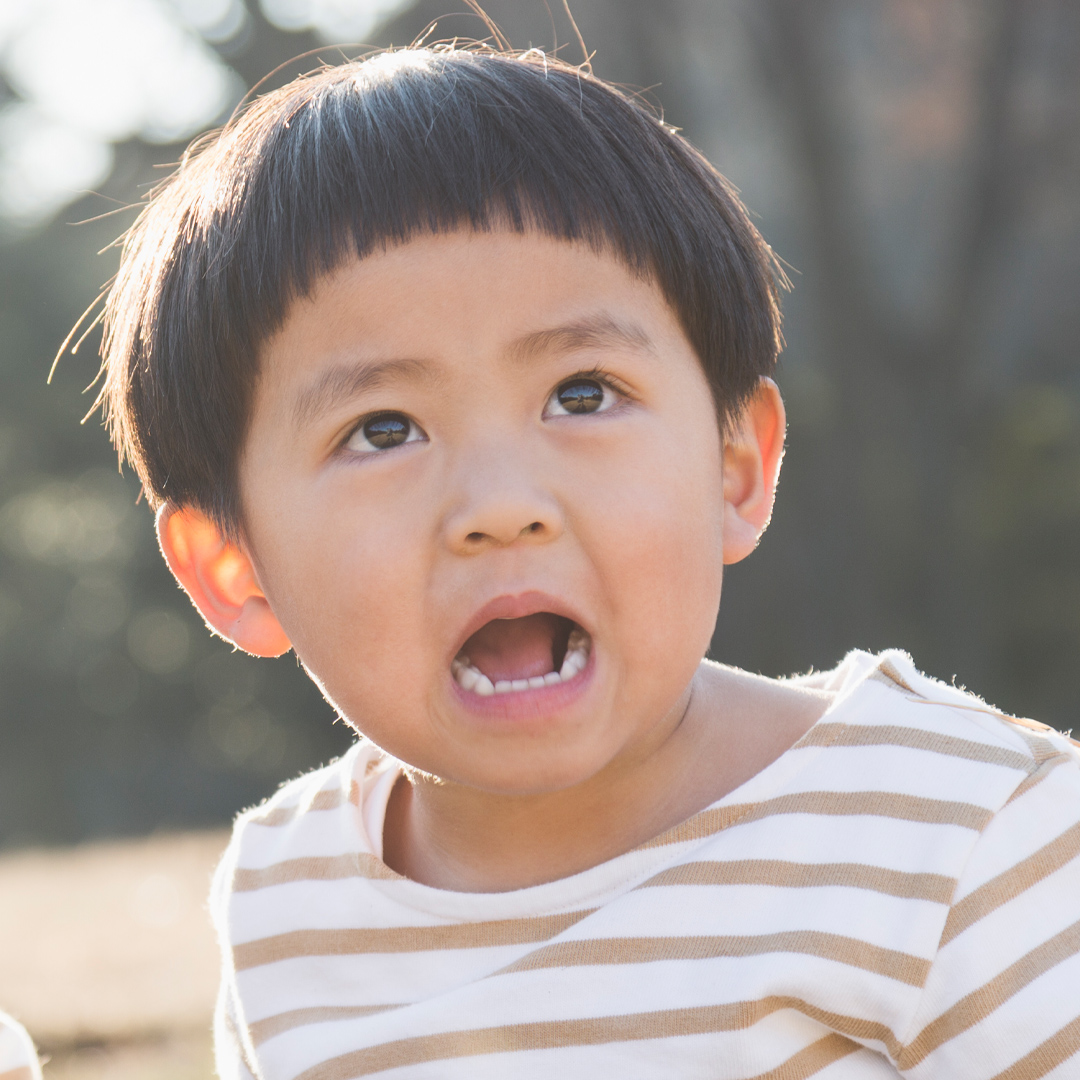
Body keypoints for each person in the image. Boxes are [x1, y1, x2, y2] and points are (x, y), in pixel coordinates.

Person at [74, 46, 1080, 1079]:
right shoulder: (288, 908)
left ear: (734, 469)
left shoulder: (956, 841)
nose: (501, 508)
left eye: (582, 395)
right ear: (232, 570)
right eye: (381, 430)